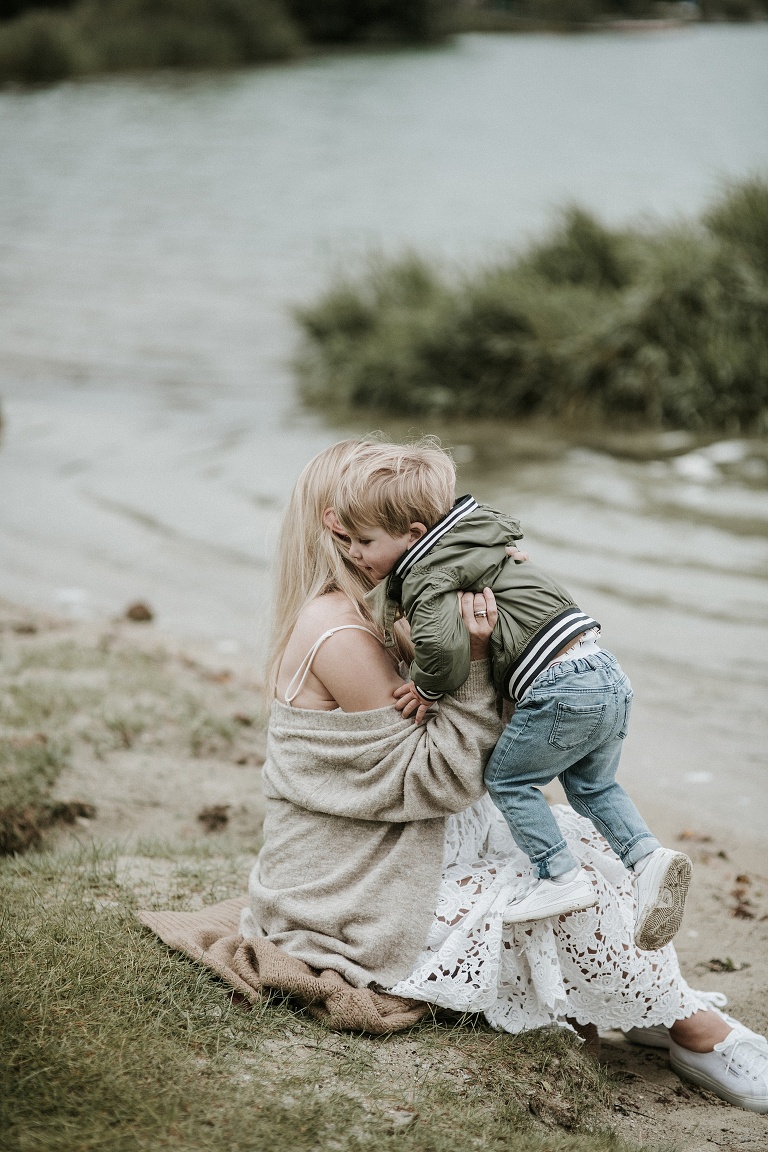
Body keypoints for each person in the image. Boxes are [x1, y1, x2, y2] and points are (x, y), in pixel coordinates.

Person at [239, 437, 768, 1115]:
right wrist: (475, 662)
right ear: (337, 531)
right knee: (557, 894)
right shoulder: (339, 630)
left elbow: (481, 738)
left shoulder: (389, 607)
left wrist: (519, 624)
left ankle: (653, 1008)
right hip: (354, 888)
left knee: (588, 846)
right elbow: (438, 778)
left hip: (404, 843)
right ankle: (693, 1030)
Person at [330, 438, 690, 950]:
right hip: (606, 671)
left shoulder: (428, 575)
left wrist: (427, 688)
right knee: (592, 786)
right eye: (347, 541)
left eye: (364, 542)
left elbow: (442, 646)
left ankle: (559, 875)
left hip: (560, 686)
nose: (353, 553)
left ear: (414, 535)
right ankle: (649, 858)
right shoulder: (481, 539)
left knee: (509, 779)